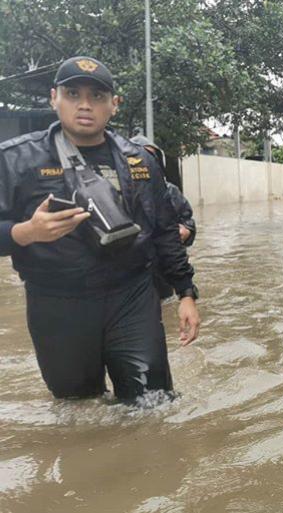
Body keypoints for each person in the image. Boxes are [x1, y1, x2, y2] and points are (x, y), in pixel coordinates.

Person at [0, 56, 200, 403]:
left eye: (97, 96)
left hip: (131, 295)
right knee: (80, 408)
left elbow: (165, 231)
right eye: (73, 93)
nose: (85, 105)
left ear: (114, 105)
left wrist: (185, 292)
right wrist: (25, 233)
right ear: (54, 98)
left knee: (154, 404)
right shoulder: (16, 160)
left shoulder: (140, 160)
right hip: (57, 301)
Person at [131, 135, 197, 299]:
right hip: (132, 276)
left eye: (152, 157)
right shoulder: (116, 192)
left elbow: (187, 220)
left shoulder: (170, 191)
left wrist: (186, 231)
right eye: (138, 156)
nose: (145, 161)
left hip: (165, 271)